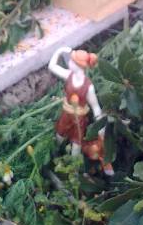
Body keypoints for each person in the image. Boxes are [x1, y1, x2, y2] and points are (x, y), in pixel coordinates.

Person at [48, 47, 113, 175]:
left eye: (72, 61)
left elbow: (95, 107)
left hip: (79, 120)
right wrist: (59, 51)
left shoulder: (88, 87)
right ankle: (53, 158)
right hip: (66, 115)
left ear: (78, 65)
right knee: (58, 138)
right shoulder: (69, 75)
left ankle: (74, 172)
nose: (69, 62)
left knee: (76, 146)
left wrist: (100, 126)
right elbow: (52, 66)